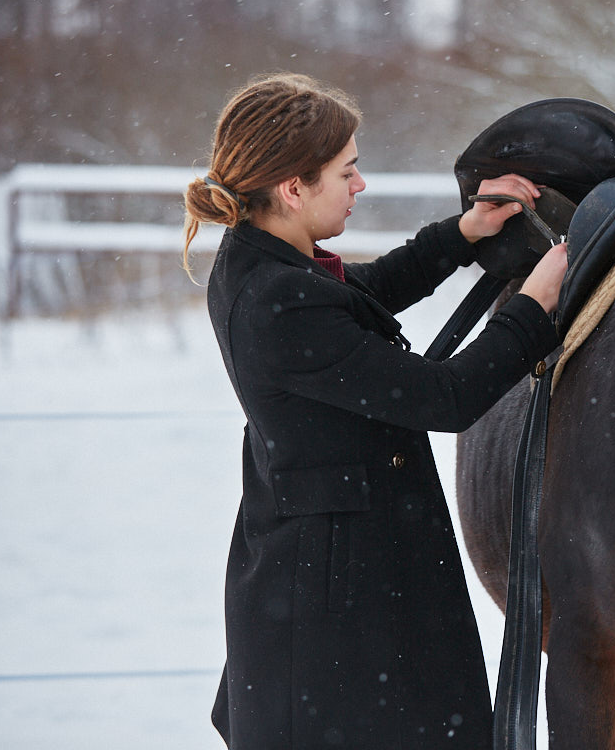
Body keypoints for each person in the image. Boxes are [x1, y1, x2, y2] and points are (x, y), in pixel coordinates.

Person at [182, 72, 567, 749]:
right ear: (292, 187)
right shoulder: (280, 301)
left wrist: (464, 233)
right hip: (342, 602)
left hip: (332, 569)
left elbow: (363, 293)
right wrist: (533, 308)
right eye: (346, 172)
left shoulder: (265, 265)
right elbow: (446, 397)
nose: (360, 185)